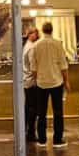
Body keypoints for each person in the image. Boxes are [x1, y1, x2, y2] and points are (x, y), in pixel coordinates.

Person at [31, 21, 69, 149]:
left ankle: (42, 140)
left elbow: (33, 68)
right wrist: (67, 81)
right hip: (56, 82)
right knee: (58, 112)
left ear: (42, 30)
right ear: (52, 30)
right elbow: (63, 65)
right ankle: (57, 139)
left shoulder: (36, 45)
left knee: (41, 112)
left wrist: (37, 79)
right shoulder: (58, 44)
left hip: (41, 83)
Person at [22, 26, 39, 142]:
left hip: (25, 79)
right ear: (30, 34)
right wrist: (37, 78)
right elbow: (33, 66)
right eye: (35, 34)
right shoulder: (31, 47)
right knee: (33, 108)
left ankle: (26, 130)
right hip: (31, 80)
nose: (37, 36)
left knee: (28, 107)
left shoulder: (25, 46)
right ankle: (31, 133)